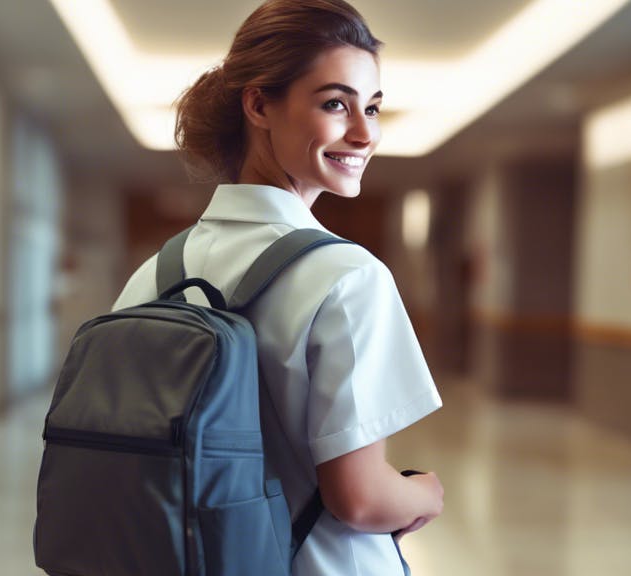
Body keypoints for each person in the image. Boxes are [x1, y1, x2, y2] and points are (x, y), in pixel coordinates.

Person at [111, 1, 445, 574]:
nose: (364, 133)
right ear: (259, 103)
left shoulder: (153, 276)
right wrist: (423, 495)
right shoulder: (348, 276)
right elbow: (360, 498)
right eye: (336, 104)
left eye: (373, 107)